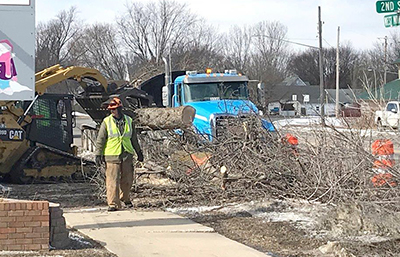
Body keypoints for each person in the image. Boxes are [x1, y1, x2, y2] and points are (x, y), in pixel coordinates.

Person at [95, 97, 144, 212]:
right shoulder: (106, 122)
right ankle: (113, 203)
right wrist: (98, 154)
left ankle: (125, 198)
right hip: (112, 155)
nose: (112, 112)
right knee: (112, 180)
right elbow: (100, 139)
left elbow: (134, 139)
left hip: (127, 154)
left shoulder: (129, 121)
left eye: (114, 109)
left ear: (120, 109)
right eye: (111, 110)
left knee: (127, 179)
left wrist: (139, 152)